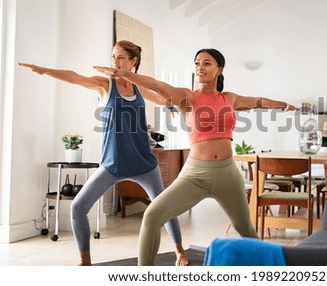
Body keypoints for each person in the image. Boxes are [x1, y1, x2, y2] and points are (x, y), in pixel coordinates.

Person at [94, 48, 298, 265]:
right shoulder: (188, 97)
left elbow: (259, 102)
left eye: (207, 63)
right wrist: (125, 74)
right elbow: (157, 85)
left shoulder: (229, 99)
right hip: (196, 175)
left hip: (228, 174)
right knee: (152, 216)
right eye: (197, 63)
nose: (200, 67)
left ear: (219, 69)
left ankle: (274, 270)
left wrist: (286, 106)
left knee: (245, 228)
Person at [18, 40, 189, 266]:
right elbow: (76, 77)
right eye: (113, 57)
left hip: (144, 163)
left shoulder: (139, 88)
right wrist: (45, 71)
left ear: (132, 61)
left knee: (164, 208)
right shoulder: (105, 85)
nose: (115, 62)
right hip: (112, 163)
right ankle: (85, 259)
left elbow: (158, 95)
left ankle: (180, 252)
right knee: (79, 207)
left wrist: (169, 106)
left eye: (120, 57)